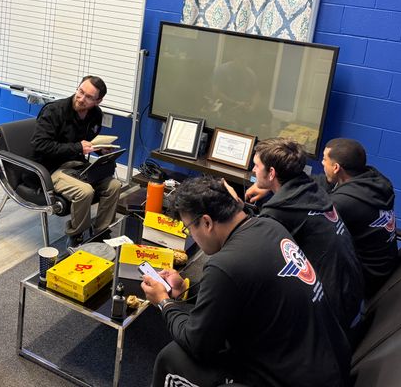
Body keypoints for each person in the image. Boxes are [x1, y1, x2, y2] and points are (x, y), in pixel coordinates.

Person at [140, 176, 350, 387]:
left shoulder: (225, 264)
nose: (192, 236)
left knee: (172, 358)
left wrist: (164, 303)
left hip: (292, 379)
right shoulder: (269, 225)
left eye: (189, 228)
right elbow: (237, 289)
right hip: (327, 360)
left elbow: (198, 346)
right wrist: (184, 289)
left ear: (206, 222)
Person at [244, 138, 364, 333]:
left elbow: (250, 250)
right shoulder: (313, 189)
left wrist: (235, 209)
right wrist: (269, 187)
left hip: (329, 317)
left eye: (257, 166)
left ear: (272, 173)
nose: (254, 170)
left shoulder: (279, 211)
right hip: (351, 296)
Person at [31, 75, 121, 248]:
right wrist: (77, 148)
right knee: (85, 191)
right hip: (51, 168)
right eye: (80, 91)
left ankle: (101, 232)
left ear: (98, 101)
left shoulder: (95, 114)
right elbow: (40, 146)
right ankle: (76, 234)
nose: (81, 98)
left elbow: (89, 141)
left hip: (77, 166)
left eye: (88, 97)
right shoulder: (54, 111)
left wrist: (101, 149)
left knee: (114, 185)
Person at [317, 138, 398, 297]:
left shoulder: (342, 203)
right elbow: (323, 182)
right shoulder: (376, 180)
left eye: (324, 159)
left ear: (336, 167)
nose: (321, 162)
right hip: (384, 265)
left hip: (365, 279)